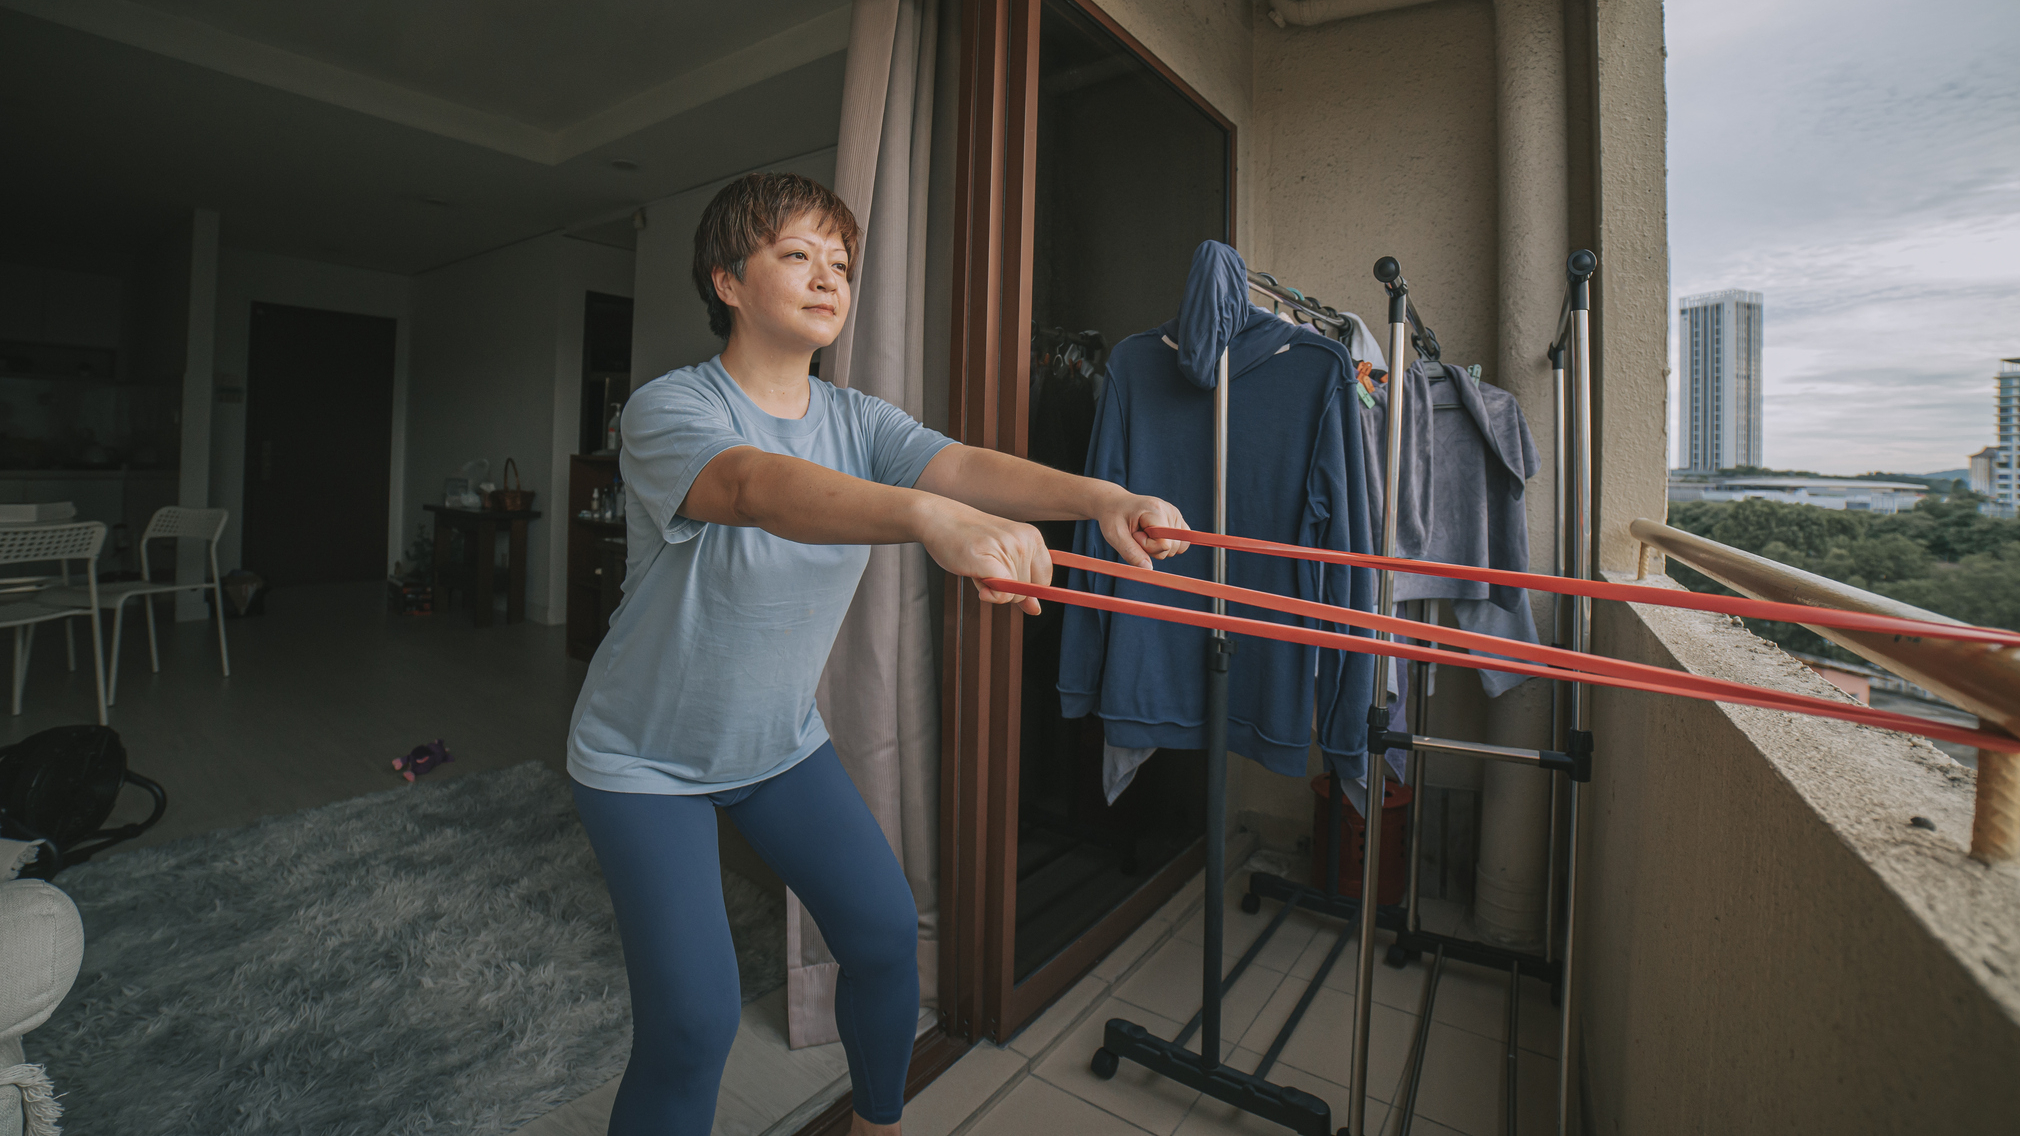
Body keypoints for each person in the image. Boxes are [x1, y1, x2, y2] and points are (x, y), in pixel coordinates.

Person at [564, 170, 1189, 1136]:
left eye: (842, 264)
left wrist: (1102, 499)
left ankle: (877, 1125)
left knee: (886, 936)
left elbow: (967, 466)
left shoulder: (858, 422)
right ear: (728, 281)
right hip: (644, 758)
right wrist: (931, 519)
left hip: (776, 743)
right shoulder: (667, 410)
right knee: (692, 1021)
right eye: (797, 255)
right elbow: (752, 489)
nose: (828, 279)